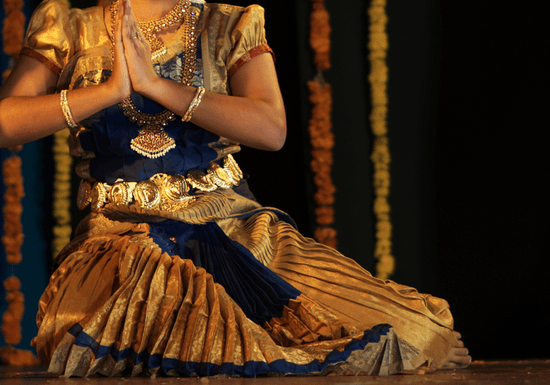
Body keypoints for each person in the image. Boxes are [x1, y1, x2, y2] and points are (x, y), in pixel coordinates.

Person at [0, 0, 471, 377]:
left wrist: (156, 86)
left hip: (234, 227)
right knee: (180, 323)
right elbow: (6, 122)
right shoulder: (68, 25)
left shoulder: (226, 22)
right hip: (123, 238)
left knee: (410, 330)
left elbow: (271, 129)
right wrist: (108, 91)